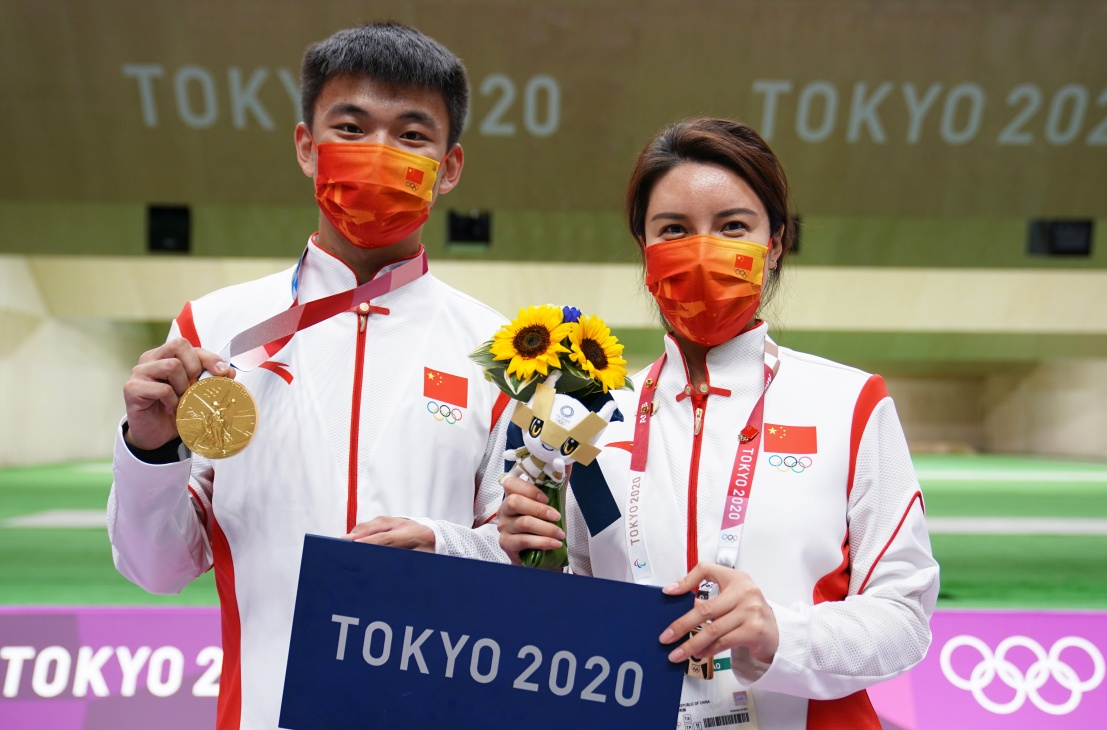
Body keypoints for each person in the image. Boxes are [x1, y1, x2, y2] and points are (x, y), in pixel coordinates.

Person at [109, 23, 512, 730]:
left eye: (411, 135)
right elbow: (157, 567)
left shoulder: (501, 352)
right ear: (306, 147)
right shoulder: (214, 330)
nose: (378, 154)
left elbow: (529, 564)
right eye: (350, 127)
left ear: (450, 167)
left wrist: (444, 544)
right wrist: (149, 451)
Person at [498, 118, 939, 729]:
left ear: (776, 241)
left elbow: (905, 619)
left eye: (733, 226)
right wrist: (527, 565)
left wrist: (778, 633)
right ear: (645, 249)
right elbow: (576, 605)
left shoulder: (851, 402)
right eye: (674, 229)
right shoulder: (589, 413)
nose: (702, 251)